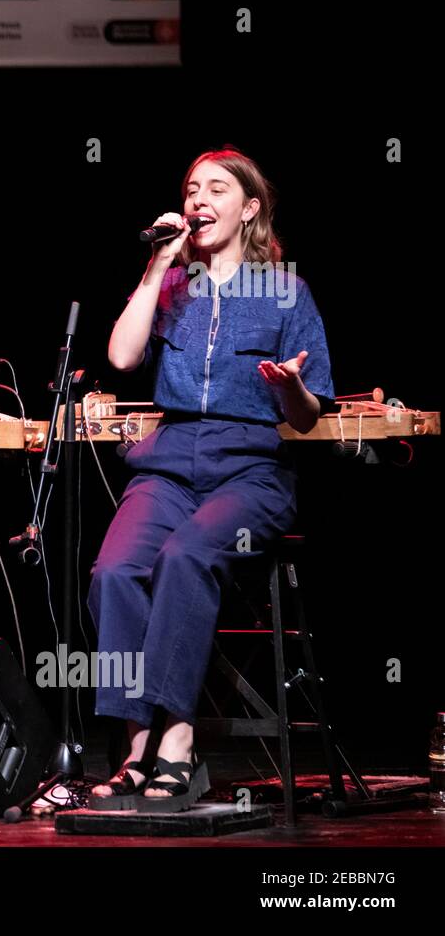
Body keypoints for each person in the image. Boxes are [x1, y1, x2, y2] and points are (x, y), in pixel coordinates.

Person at [87, 146, 335, 811]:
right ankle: (136, 743)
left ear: (249, 208)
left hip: (250, 466)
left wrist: (290, 391)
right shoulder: (171, 285)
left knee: (186, 554)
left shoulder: (286, 292)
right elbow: (120, 355)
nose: (198, 199)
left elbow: (309, 418)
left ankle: (177, 736)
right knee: (112, 572)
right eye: (191, 188)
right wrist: (159, 260)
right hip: (170, 461)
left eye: (217, 189)